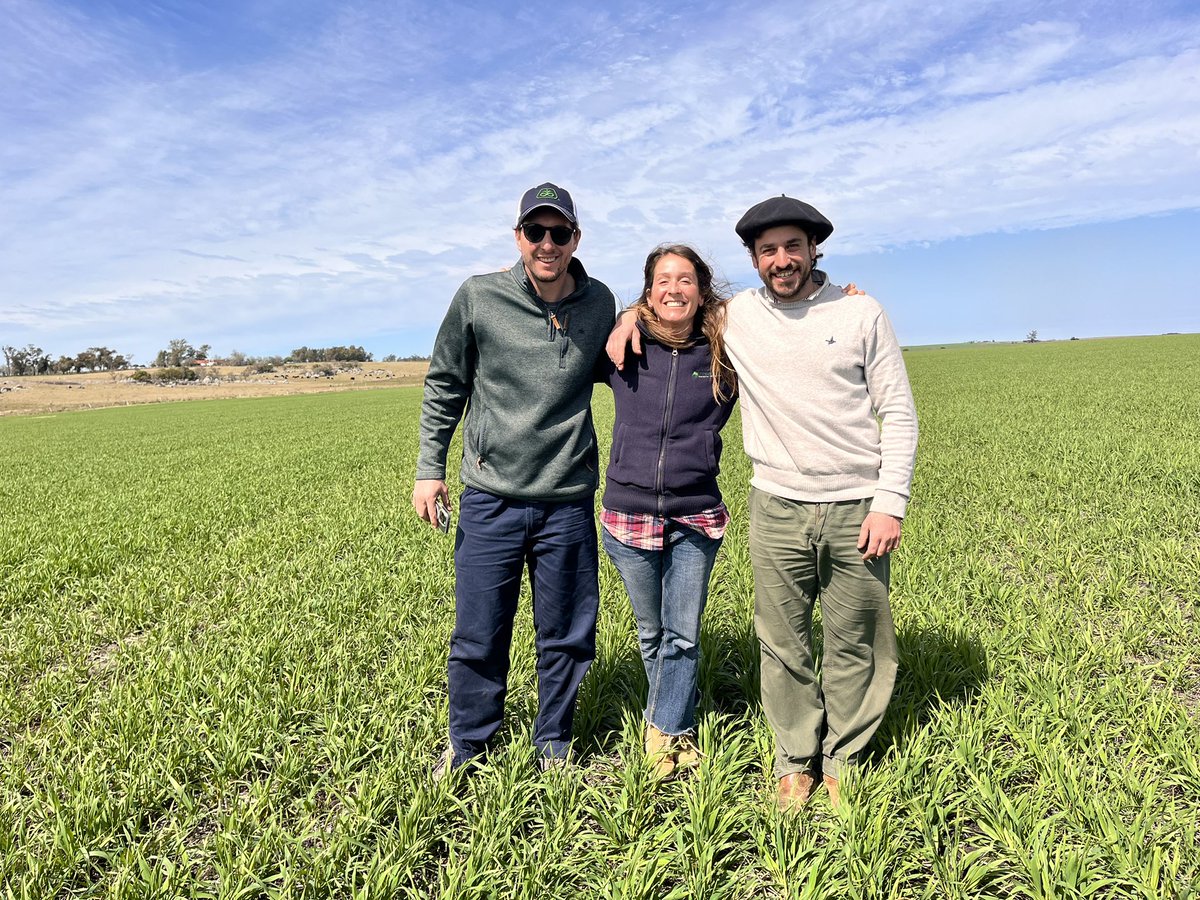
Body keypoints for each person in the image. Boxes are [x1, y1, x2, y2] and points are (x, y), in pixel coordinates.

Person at [607, 196, 918, 811]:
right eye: (768, 250)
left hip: (856, 504)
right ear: (753, 259)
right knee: (782, 643)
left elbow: (899, 412)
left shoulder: (860, 312)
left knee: (855, 639)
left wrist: (891, 501)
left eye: (792, 247)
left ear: (813, 250)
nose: (782, 260)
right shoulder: (737, 316)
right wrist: (625, 316)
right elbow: (672, 304)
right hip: (776, 503)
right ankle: (795, 759)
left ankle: (844, 760)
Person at [413, 182, 616, 775]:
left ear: (576, 238)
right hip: (490, 498)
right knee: (479, 633)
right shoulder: (479, 297)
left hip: (567, 500)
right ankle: (470, 745)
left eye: (559, 232)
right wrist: (429, 469)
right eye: (536, 231)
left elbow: (655, 335)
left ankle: (553, 743)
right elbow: (445, 383)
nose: (547, 243)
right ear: (518, 237)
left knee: (567, 634)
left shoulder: (600, 303)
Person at [596, 245, 738, 778]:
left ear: (701, 290)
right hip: (628, 513)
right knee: (651, 631)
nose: (673, 289)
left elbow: (786, 324)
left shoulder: (725, 350)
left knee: (683, 633)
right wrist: (625, 317)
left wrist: (840, 297)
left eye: (685, 279)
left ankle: (667, 732)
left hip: (695, 514)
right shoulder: (624, 346)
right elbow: (560, 331)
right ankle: (672, 719)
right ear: (649, 291)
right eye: (663, 280)